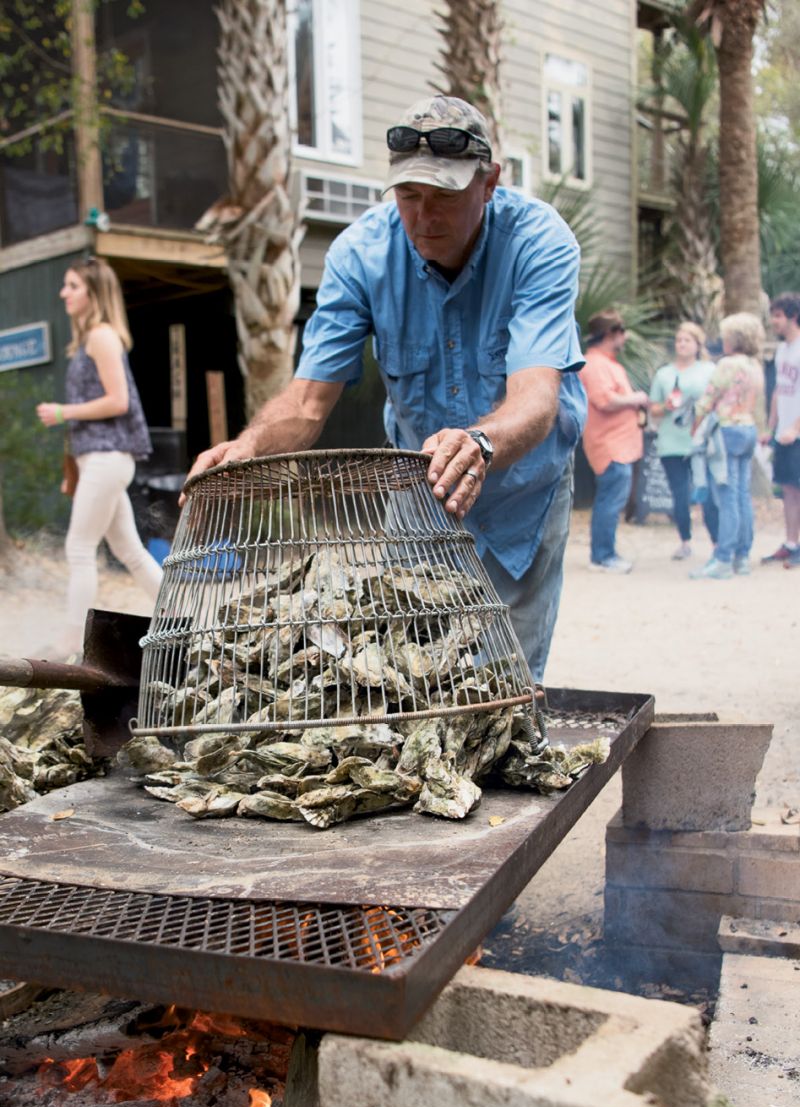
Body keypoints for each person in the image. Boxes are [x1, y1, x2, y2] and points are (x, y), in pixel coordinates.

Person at [186, 95, 587, 683]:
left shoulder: (539, 243)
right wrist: (246, 449)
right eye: (408, 196)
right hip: (417, 487)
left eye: (445, 195)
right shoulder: (360, 254)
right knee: (408, 668)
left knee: (501, 685)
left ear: (489, 182)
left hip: (522, 487)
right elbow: (305, 402)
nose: (425, 217)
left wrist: (481, 441)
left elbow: (536, 398)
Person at [36, 256, 163, 655]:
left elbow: (118, 401)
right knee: (130, 551)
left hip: (109, 458)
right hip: (101, 460)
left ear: (94, 292)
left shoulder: (101, 336)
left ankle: (73, 638)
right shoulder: (91, 338)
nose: (64, 293)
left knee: (78, 548)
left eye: (72, 285)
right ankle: (181, 614)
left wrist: (62, 412)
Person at [689, 311, 765, 580]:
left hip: (727, 431)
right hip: (747, 428)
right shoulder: (755, 366)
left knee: (727, 495)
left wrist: (694, 429)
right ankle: (742, 556)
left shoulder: (727, 365)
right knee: (742, 494)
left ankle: (723, 557)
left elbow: (707, 400)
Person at [578, 310, 649, 573]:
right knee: (609, 502)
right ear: (611, 334)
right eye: (622, 332)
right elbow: (605, 400)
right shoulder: (594, 364)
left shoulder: (610, 363)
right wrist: (637, 399)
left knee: (612, 501)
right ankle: (602, 556)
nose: (626, 337)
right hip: (610, 446)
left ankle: (606, 552)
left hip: (622, 446)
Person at [648, 322, 718, 560]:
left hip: (700, 441)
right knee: (680, 494)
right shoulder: (664, 374)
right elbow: (653, 408)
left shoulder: (709, 370)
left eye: (687, 340)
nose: (682, 344)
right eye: (679, 340)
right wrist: (665, 406)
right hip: (671, 442)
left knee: (706, 491)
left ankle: (717, 542)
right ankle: (685, 540)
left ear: (698, 345)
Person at [763, 293, 800, 568]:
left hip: (796, 432)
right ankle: (791, 542)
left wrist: (795, 428)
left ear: (792, 316)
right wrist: (771, 426)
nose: (773, 321)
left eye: (777, 315)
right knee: (787, 488)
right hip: (783, 431)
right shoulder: (782, 351)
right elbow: (778, 390)